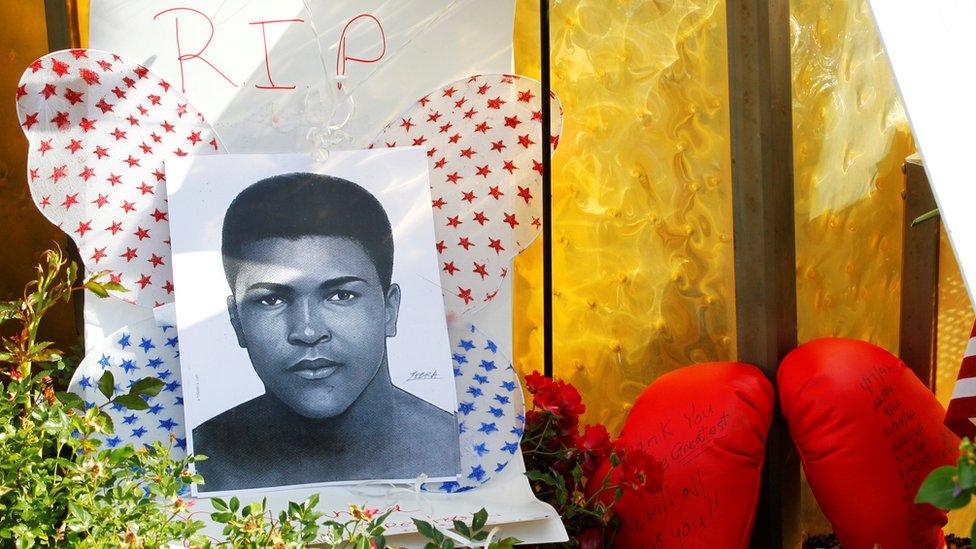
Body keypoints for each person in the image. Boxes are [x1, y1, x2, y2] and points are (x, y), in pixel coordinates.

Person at [192, 172, 460, 493]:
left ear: (390, 309)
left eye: (340, 295)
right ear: (237, 321)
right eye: (271, 299)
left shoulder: (458, 448)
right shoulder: (190, 465)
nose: (307, 331)